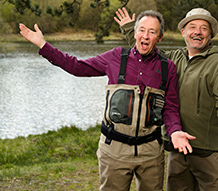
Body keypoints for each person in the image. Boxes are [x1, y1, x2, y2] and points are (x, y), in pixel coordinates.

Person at [19, 10, 196, 191]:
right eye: (142, 30)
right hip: (114, 150)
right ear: (135, 33)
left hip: (151, 152)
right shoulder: (116, 57)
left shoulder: (168, 68)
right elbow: (77, 67)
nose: (145, 35)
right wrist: (43, 45)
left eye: (152, 32)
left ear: (160, 37)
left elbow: (171, 108)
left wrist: (175, 131)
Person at [115, 7, 218, 191]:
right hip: (178, 150)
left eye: (203, 28)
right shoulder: (174, 58)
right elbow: (148, 52)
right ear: (183, 32)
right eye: (192, 27)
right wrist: (130, 28)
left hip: (207, 152)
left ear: (211, 34)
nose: (197, 32)